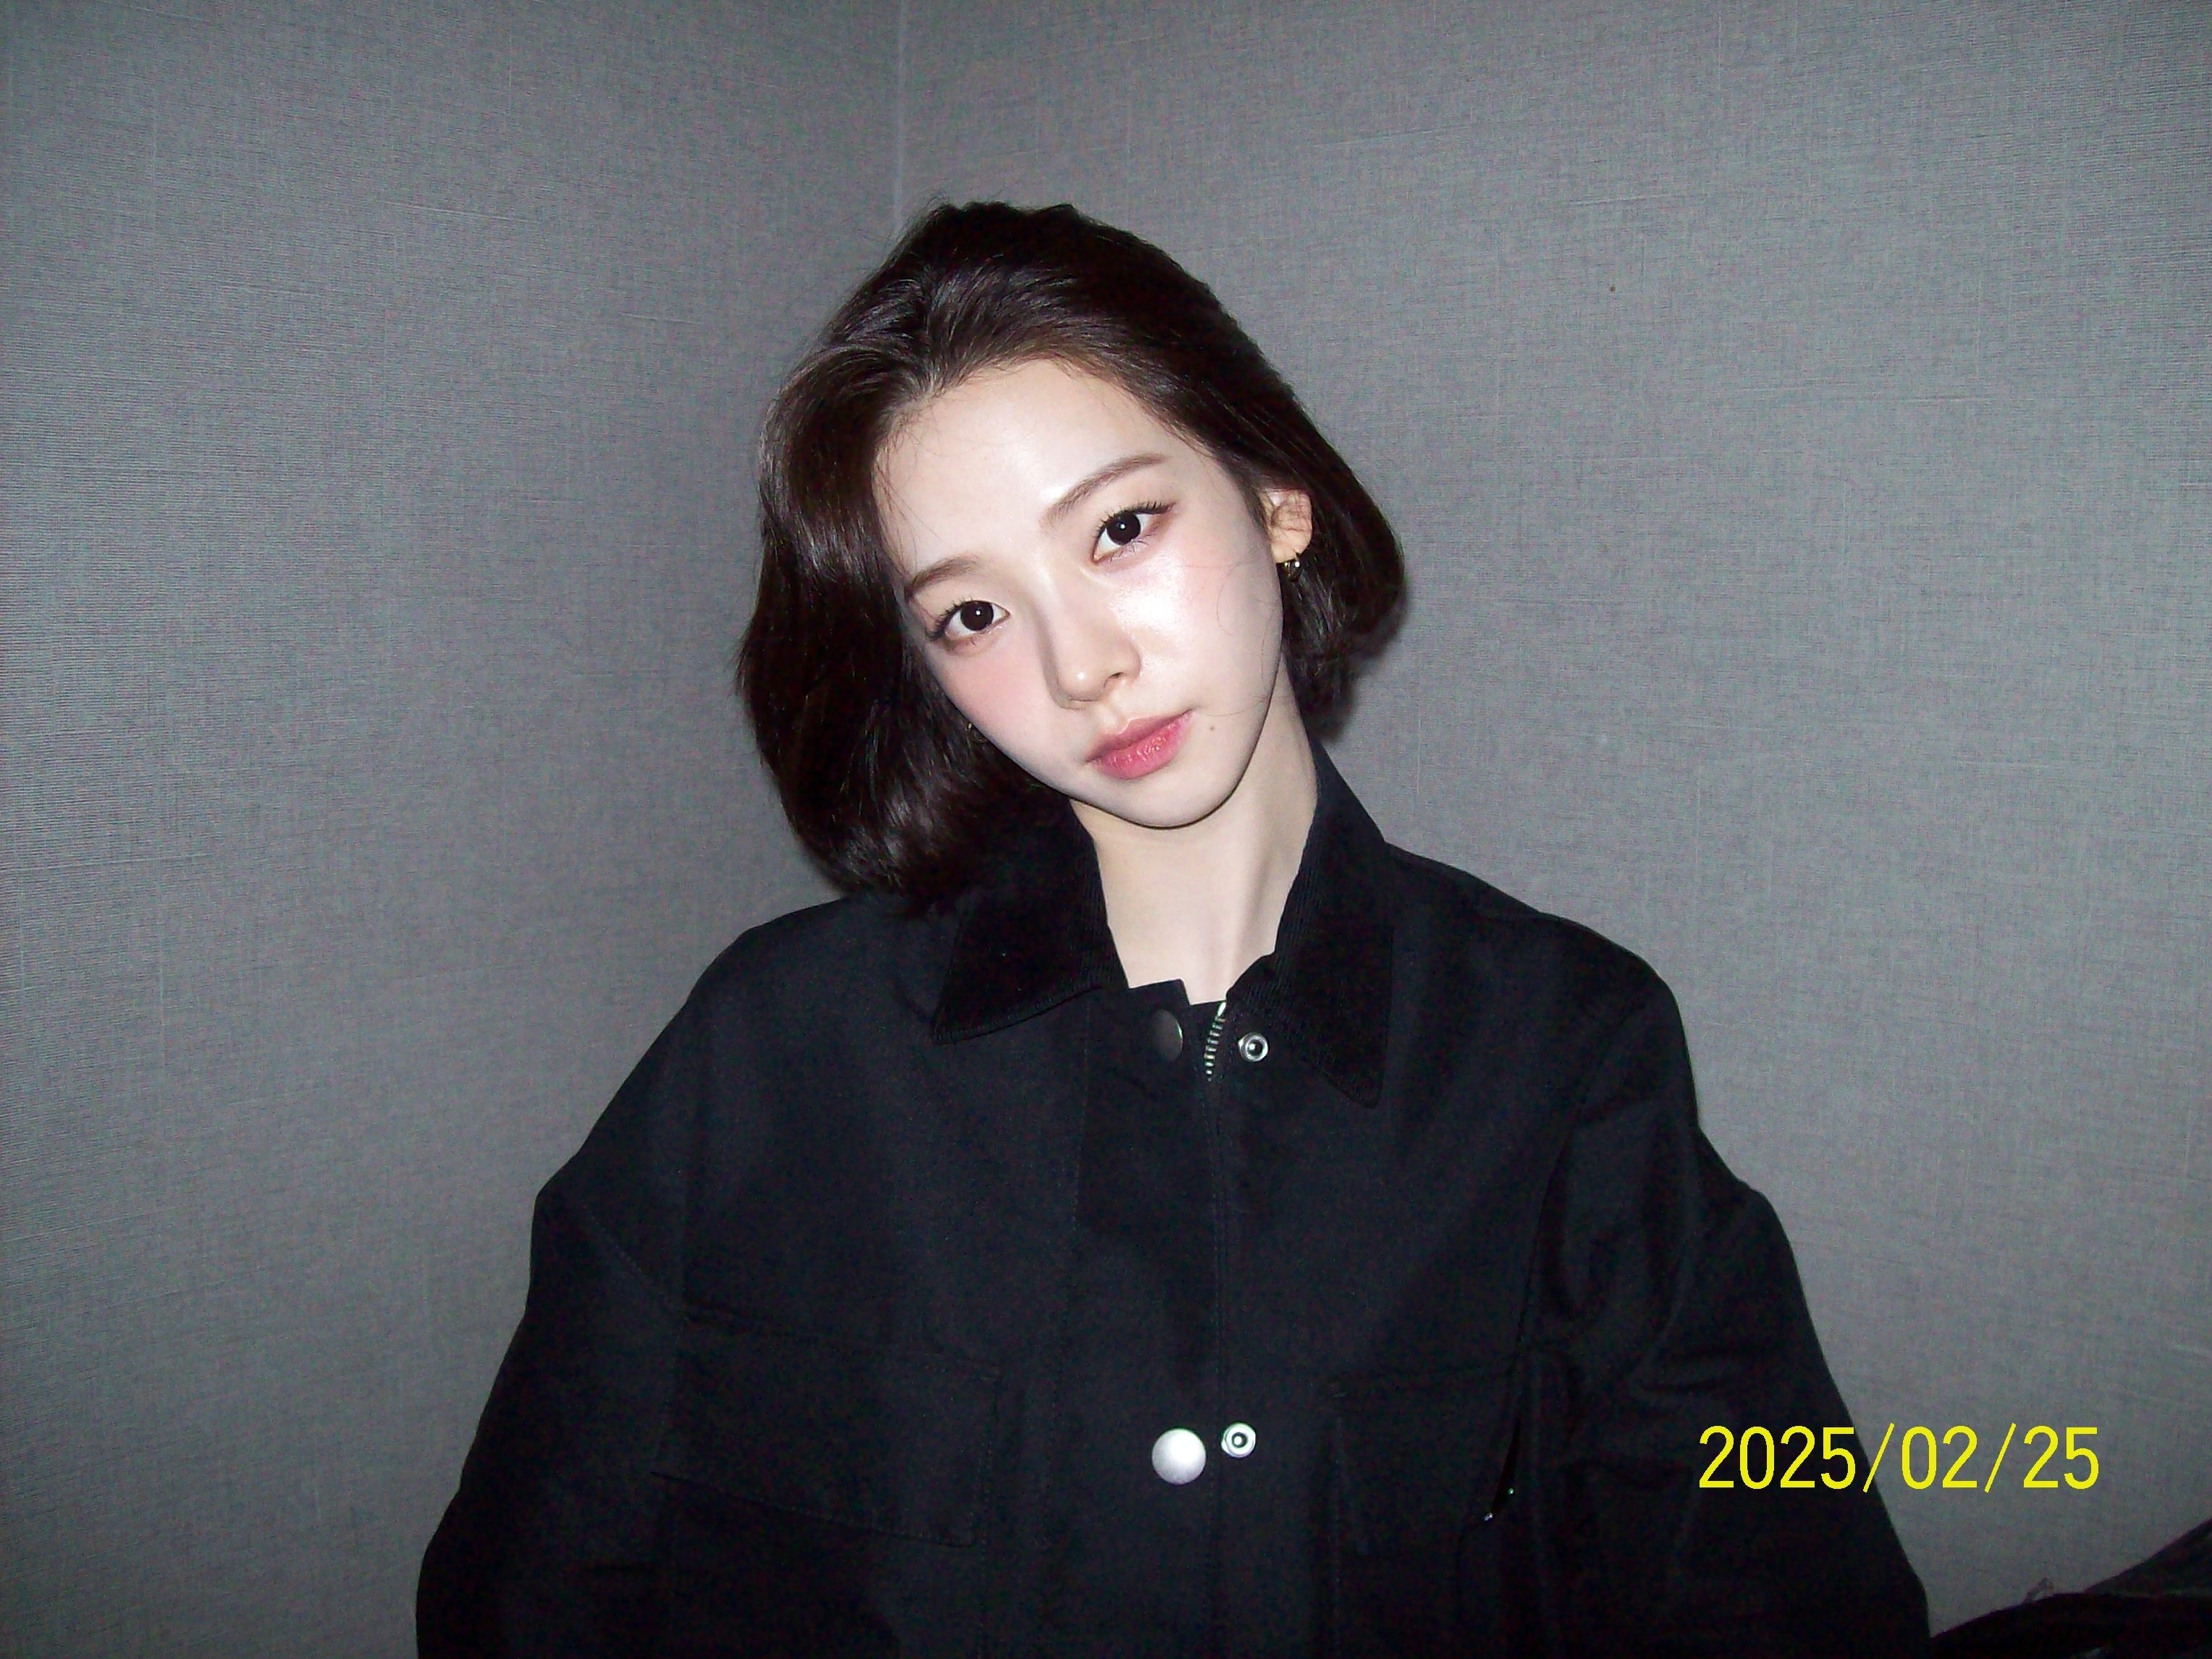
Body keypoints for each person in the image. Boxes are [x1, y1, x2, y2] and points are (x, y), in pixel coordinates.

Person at [418, 201, 1928, 1657]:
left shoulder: (1561, 1054)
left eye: (1121, 529)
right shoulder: (771, 1055)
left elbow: (1771, 1568)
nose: (1079, 666)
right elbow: (539, 1579)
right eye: (972, 615)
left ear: (1275, 499)